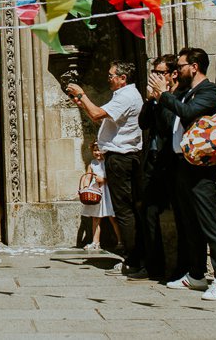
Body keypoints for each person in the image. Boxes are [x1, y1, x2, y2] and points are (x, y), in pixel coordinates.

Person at [150, 47, 216, 301]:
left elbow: (187, 114)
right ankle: (196, 274)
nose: (177, 70)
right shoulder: (183, 92)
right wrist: (160, 97)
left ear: (194, 67)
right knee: (189, 222)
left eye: (181, 66)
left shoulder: (208, 90)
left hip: (201, 167)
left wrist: (165, 94)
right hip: (181, 164)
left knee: (209, 221)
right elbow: (167, 122)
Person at [66, 61, 144, 275]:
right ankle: (134, 258)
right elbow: (96, 115)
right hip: (120, 156)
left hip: (121, 157)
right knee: (124, 209)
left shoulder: (127, 96)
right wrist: (84, 104)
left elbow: (98, 114)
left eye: (111, 75)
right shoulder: (123, 95)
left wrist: (82, 94)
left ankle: (133, 261)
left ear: (123, 78)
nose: (108, 78)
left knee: (124, 211)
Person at [136, 54, 187, 282]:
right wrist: (150, 100)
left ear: (172, 74)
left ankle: (184, 268)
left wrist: (163, 97)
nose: (155, 77)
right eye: (153, 73)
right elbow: (143, 124)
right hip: (154, 161)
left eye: (159, 73)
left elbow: (169, 126)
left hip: (173, 162)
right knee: (148, 210)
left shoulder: (179, 97)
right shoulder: (157, 99)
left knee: (181, 212)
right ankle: (153, 265)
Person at [81, 141, 119, 251]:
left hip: (107, 191)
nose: (97, 153)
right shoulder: (92, 164)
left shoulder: (108, 162)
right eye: (95, 150)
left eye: (99, 150)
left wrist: (104, 179)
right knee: (96, 218)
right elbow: (88, 177)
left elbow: (114, 177)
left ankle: (120, 241)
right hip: (96, 192)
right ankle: (95, 242)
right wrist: (85, 187)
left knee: (113, 217)